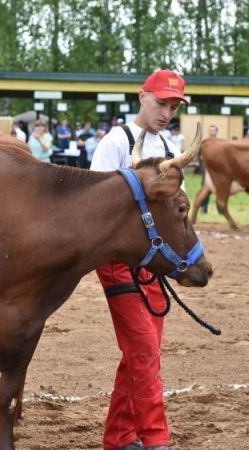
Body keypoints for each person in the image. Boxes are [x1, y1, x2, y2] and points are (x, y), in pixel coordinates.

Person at [89, 69, 187, 450]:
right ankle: (155, 440)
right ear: (142, 96)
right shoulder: (115, 141)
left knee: (142, 354)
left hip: (155, 262)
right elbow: (96, 206)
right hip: (117, 261)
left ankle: (119, 437)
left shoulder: (171, 143)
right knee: (144, 350)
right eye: (161, 102)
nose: (166, 111)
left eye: (174, 105)